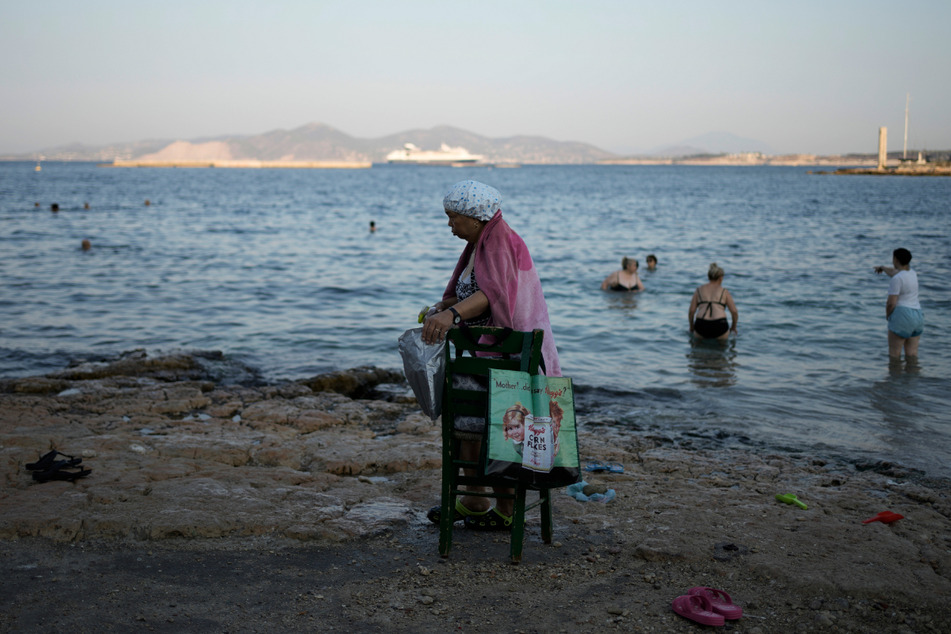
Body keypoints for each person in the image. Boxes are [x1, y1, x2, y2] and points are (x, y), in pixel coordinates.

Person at [422, 179, 560, 531]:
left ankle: (502, 505)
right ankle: (477, 498)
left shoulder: (498, 243)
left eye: (453, 218)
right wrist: (444, 306)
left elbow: (494, 293)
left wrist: (452, 316)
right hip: (487, 356)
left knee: (486, 426)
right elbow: (475, 291)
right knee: (465, 423)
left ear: (475, 218)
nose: (450, 225)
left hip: (508, 361)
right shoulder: (481, 242)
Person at [875, 248, 922, 360]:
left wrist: (888, 315)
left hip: (902, 316)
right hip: (917, 317)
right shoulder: (912, 273)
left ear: (895, 259)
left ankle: (896, 377)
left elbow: (891, 303)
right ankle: (912, 377)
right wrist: (882, 268)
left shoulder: (896, 279)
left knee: (894, 355)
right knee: (912, 355)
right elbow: (894, 272)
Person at [688, 262, 738, 340]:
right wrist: (733, 327)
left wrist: (691, 327)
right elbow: (734, 312)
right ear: (721, 278)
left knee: (697, 350)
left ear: (708, 277)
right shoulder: (724, 291)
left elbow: (691, 311)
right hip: (720, 325)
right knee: (721, 350)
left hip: (701, 324)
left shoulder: (699, 290)